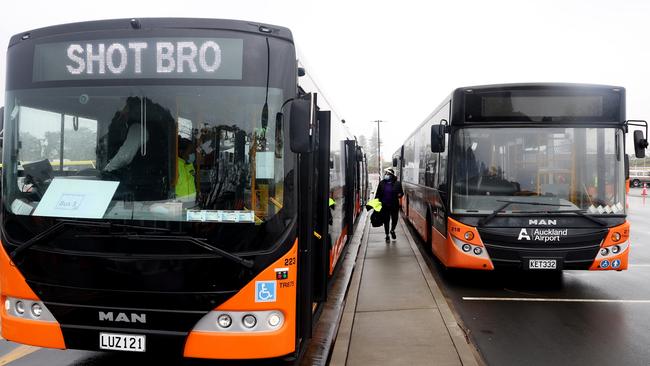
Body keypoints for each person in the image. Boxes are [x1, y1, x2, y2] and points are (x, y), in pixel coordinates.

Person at [375, 168, 404, 243]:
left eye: (387, 174)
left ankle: (392, 230)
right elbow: (377, 194)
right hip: (384, 205)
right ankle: (387, 235)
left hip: (394, 205)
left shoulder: (397, 183)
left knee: (395, 219)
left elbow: (401, 193)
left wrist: (400, 195)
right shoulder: (381, 183)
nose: (386, 175)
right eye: (385, 174)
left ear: (391, 175)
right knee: (386, 220)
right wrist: (376, 204)